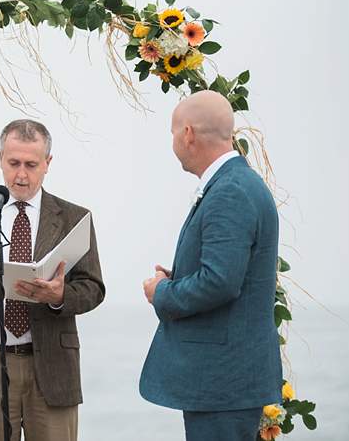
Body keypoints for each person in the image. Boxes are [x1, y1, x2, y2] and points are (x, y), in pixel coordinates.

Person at [0, 119, 105, 441]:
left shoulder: (74, 218)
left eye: (31, 164)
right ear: (0, 158)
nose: (21, 174)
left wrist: (58, 295)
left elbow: (93, 288)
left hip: (51, 367)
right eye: (13, 163)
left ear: (48, 163)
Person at [139, 91, 283, 440]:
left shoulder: (230, 191)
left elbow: (220, 282)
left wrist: (163, 292)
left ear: (188, 133)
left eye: (173, 132)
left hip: (223, 383)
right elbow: (231, 272)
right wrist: (181, 277)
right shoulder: (235, 184)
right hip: (227, 382)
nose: (173, 141)